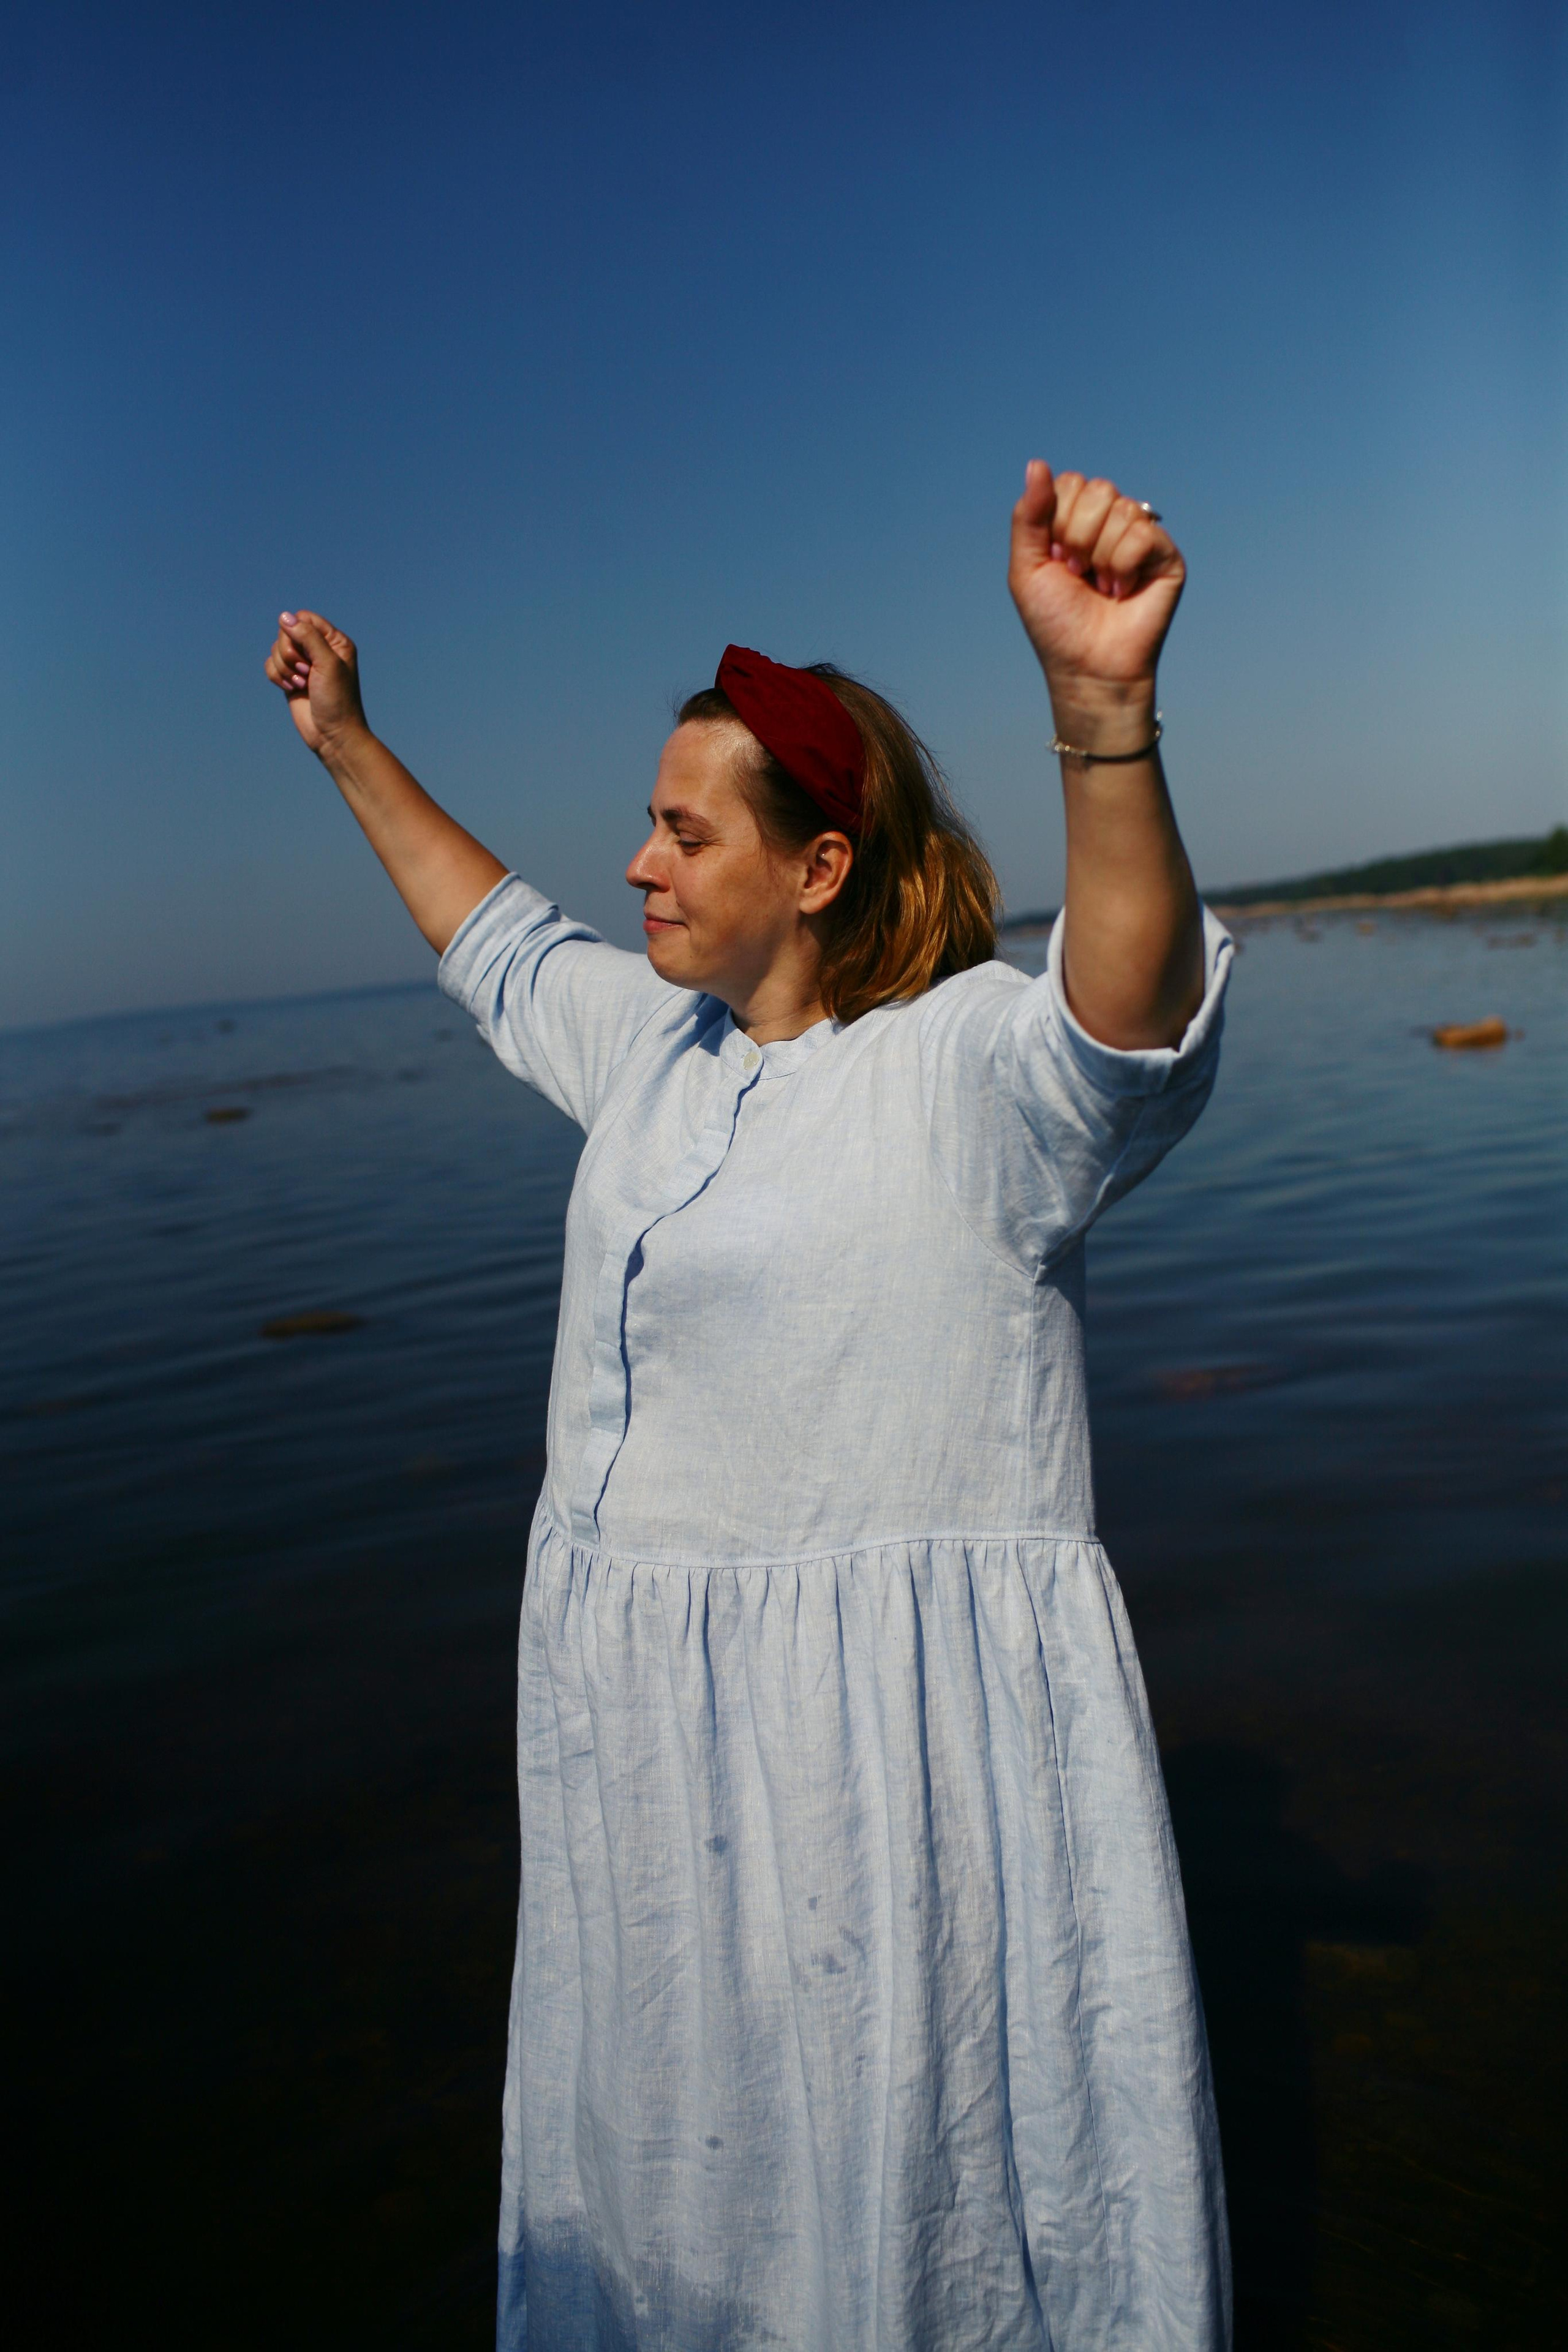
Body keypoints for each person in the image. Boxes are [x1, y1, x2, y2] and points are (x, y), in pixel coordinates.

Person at [265, 464, 1233, 2351]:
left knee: (901, 2160)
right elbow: (496, 941)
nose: (639, 864)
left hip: (877, 1764)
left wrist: (1103, 717)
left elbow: (1124, 1026)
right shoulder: (657, 1049)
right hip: (646, 1734)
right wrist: (351, 746)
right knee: (683, 2159)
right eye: (649, 825)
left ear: (817, 870)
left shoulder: (961, 1072)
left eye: (684, 833)